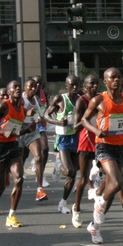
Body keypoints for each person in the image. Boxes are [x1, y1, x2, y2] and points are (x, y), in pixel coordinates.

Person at [81, 67, 123, 244]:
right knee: (116, 182)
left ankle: (94, 226)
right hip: (104, 146)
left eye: (119, 77)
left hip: (121, 147)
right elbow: (84, 120)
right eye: (112, 78)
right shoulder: (99, 100)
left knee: (112, 188)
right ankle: (99, 204)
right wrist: (96, 130)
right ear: (105, 81)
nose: (117, 80)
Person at [0, 80, 34, 228]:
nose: (17, 89)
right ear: (9, 92)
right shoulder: (4, 106)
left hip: (13, 145)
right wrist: (1, 131)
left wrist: (28, 129)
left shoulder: (21, 109)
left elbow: (15, 131)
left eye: (19, 87)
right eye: (14, 87)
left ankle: (11, 215)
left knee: (19, 179)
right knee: (0, 186)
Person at [45, 75, 81, 216]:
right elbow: (46, 115)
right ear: (67, 86)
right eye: (72, 85)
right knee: (70, 171)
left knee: (74, 172)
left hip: (76, 138)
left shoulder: (81, 99)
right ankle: (58, 166)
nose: (75, 87)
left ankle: (63, 203)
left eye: (77, 84)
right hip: (63, 139)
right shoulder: (60, 99)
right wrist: (58, 122)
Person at [70, 74, 99, 227]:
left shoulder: (101, 99)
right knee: (83, 177)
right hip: (86, 141)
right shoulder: (81, 101)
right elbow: (75, 128)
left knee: (110, 173)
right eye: (91, 83)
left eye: (97, 83)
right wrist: (87, 117)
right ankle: (76, 209)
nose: (95, 86)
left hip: (100, 140)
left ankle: (97, 197)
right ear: (85, 86)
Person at [19, 78, 49, 201]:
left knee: (38, 157)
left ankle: (39, 190)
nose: (33, 88)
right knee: (20, 158)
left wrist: (40, 117)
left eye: (35, 87)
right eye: (30, 86)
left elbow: (42, 111)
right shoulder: (21, 99)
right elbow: (13, 113)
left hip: (31, 132)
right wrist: (26, 113)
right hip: (19, 132)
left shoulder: (36, 99)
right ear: (24, 88)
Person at [31, 75, 50, 186]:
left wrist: (43, 116)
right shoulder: (26, 95)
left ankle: (41, 174)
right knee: (23, 153)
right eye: (35, 83)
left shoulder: (44, 94)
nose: (37, 85)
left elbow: (45, 108)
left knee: (45, 148)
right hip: (28, 125)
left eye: (39, 83)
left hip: (40, 125)